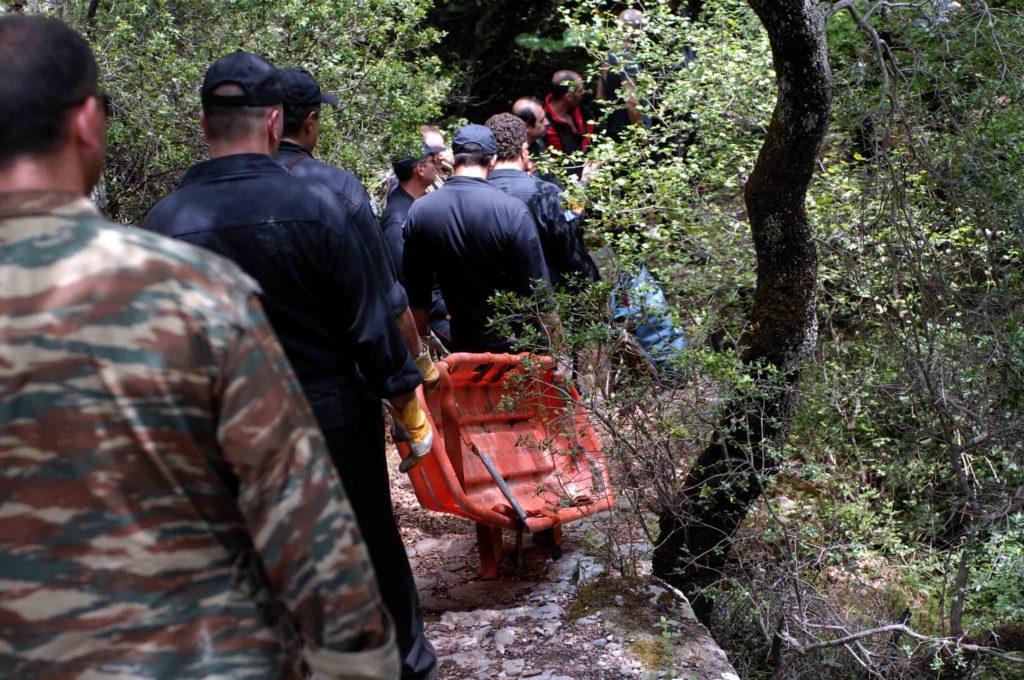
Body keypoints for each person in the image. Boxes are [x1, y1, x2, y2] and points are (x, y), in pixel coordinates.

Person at [0, 16, 398, 679]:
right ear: (88, 122)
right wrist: (356, 660)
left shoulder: (177, 237)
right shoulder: (189, 292)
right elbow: (305, 522)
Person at [144, 51, 437, 680]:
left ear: (203, 123)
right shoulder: (320, 206)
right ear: (275, 122)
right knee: (370, 546)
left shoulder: (165, 224)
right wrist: (405, 398)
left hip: (224, 432)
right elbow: (368, 324)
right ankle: (405, 666)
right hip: (330, 420)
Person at [275, 67, 428, 364]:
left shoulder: (232, 187)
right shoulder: (338, 186)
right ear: (310, 121)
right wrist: (419, 360)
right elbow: (385, 288)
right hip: (329, 366)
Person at [403, 125, 551, 353]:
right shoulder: (512, 211)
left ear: (453, 159)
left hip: (463, 344)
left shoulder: (420, 211)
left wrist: (420, 348)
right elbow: (539, 293)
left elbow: (416, 294)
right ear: (492, 160)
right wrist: (557, 348)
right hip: (517, 349)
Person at [486, 113, 599, 288]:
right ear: (523, 146)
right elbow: (570, 228)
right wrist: (585, 186)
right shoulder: (543, 192)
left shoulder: (480, 193)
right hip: (553, 290)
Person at [380, 142, 451, 344]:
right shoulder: (398, 219)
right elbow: (405, 278)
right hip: (428, 316)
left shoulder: (415, 205)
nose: (436, 165)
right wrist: (442, 309)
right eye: (431, 161)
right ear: (419, 169)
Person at [594, 9, 651, 141]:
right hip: (632, 134)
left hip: (615, 130)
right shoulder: (627, 57)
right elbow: (631, 100)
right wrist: (642, 137)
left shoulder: (607, 56)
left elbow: (600, 96)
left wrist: (616, 116)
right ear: (637, 29)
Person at [543, 70, 594, 157]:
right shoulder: (547, 124)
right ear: (569, 97)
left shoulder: (581, 109)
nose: (583, 92)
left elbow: (590, 125)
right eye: (580, 90)